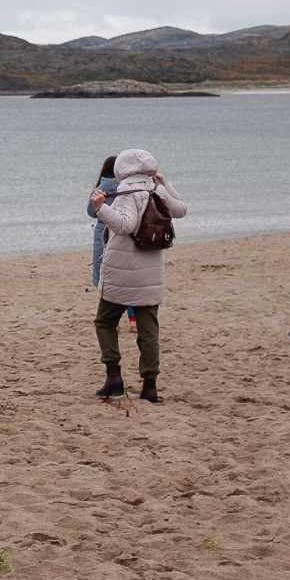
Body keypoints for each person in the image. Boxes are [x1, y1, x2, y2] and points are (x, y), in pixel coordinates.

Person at [88, 149, 185, 403]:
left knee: (105, 322)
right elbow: (181, 209)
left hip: (123, 270)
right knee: (149, 330)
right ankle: (150, 386)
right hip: (150, 269)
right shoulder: (156, 190)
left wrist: (100, 208)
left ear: (123, 169)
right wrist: (166, 184)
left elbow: (124, 225)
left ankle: (114, 376)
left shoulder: (126, 192)